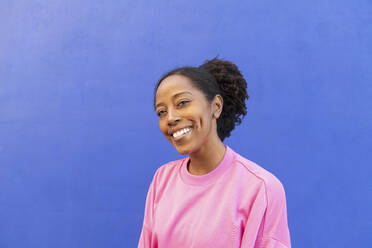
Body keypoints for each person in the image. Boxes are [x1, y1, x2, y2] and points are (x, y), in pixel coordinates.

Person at [138, 58, 291, 248]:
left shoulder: (261, 188)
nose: (170, 118)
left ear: (216, 106)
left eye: (182, 102)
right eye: (161, 112)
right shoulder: (162, 179)